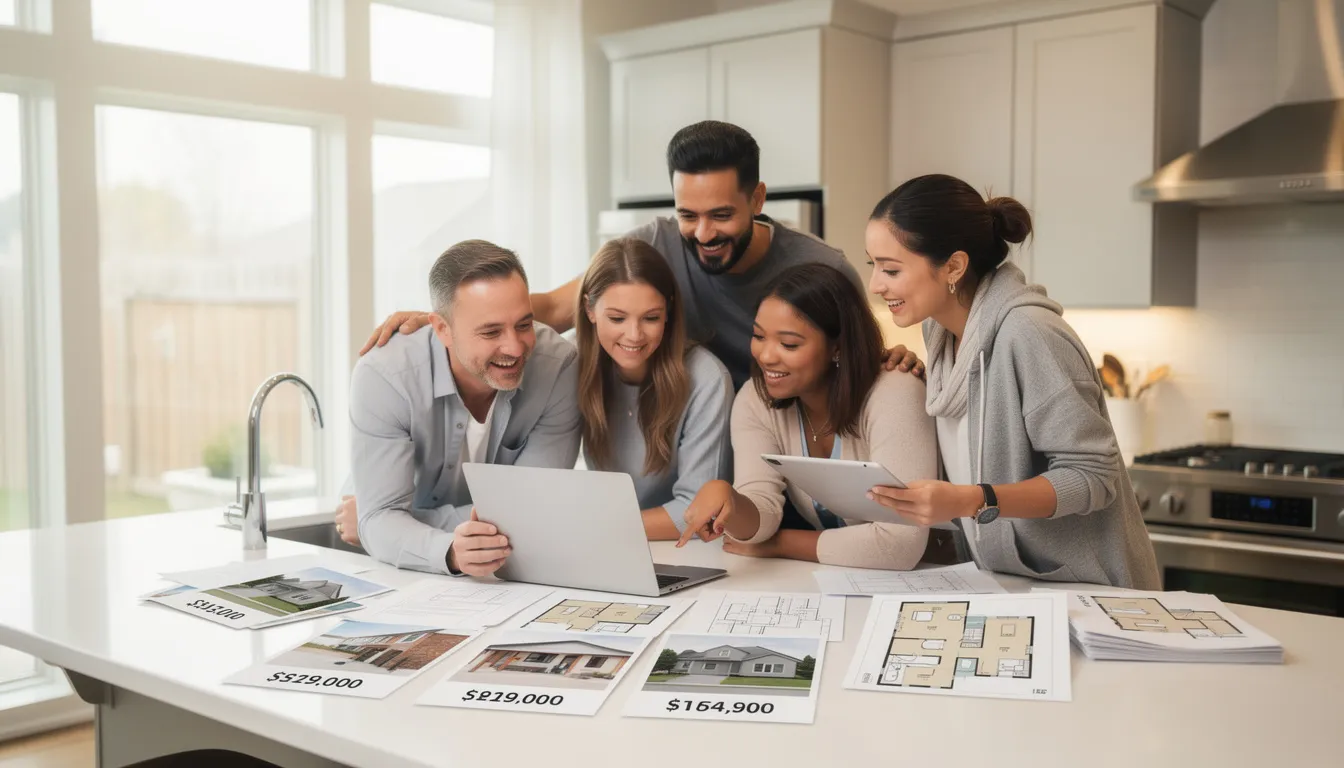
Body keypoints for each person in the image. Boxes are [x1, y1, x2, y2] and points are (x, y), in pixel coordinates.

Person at [358, 120, 923, 389]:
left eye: (721, 215)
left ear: (756, 199)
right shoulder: (651, 243)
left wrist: (895, 359)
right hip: (694, 444)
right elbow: (556, 306)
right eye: (688, 215)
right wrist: (451, 319)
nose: (702, 234)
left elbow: (865, 361)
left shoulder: (822, 266)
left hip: (790, 452)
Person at [863, 174, 1160, 589]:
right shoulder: (940, 333)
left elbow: (1092, 476)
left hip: (1090, 591)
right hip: (1013, 583)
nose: (876, 285)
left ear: (953, 266)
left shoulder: (1031, 332)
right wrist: (920, 375)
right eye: (872, 265)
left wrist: (976, 499)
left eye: (891, 269)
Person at [676, 263, 939, 569]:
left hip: (933, 581)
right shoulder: (755, 399)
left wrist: (779, 544)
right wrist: (732, 504)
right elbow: (761, 513)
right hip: (840, 580)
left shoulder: (895, 392)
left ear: (837, 347)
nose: (766, 356)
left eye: (789, 344)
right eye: (759, 336)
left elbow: (900, 543)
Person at [348, 239, 581, 576]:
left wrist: (402, 520)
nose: (515, 348)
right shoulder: (385, 375)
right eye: (491, 332)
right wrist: (450, 552)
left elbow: (534, 511)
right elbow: (380, 521)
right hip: (406, 571)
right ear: (442, 329)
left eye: (524, 325)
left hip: (503, 570)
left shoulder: (558, 367)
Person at [575, 237, 733, 540]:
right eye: (617, 318)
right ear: (589, 309)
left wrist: (598, 528)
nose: (634, 335)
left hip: (683, 549)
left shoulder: (707, 379)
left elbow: (697, 511)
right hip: (607, 543)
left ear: (669, 312)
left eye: (651, 318)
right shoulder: (572, 366)